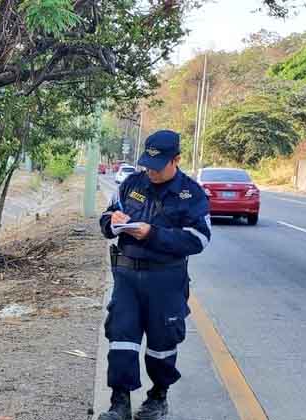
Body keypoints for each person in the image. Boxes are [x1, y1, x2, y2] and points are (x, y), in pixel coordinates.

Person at [97, 130, 212, 420]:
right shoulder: (131, 184)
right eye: (148, 163)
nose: (151, 170)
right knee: (121, 339)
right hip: (126, 276)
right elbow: (107, 219)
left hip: (166, 280)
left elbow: (199, 239)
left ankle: (157, 397)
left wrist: (153, 234)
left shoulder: (191, 194)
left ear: (176, 160)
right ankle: (119, 403)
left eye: (158, 165)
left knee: (162, 344)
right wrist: (113, 221)